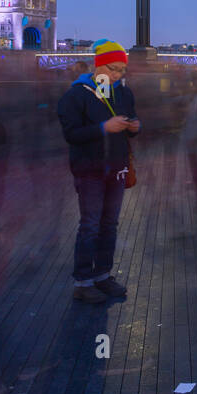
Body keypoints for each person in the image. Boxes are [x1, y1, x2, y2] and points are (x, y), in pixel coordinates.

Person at [57, 38, 140, 304]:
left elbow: (132, 121)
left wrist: (136, 127)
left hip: (115, 167)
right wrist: (105, 128)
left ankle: (103, 274)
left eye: (121, 70)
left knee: (110, 224)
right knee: (90, 225)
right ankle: (83, 281)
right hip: (89, 168)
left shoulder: (124, 93)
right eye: (112, 69)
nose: (117, 75)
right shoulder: (76, 95)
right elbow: (71, 134)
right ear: (99, 66)